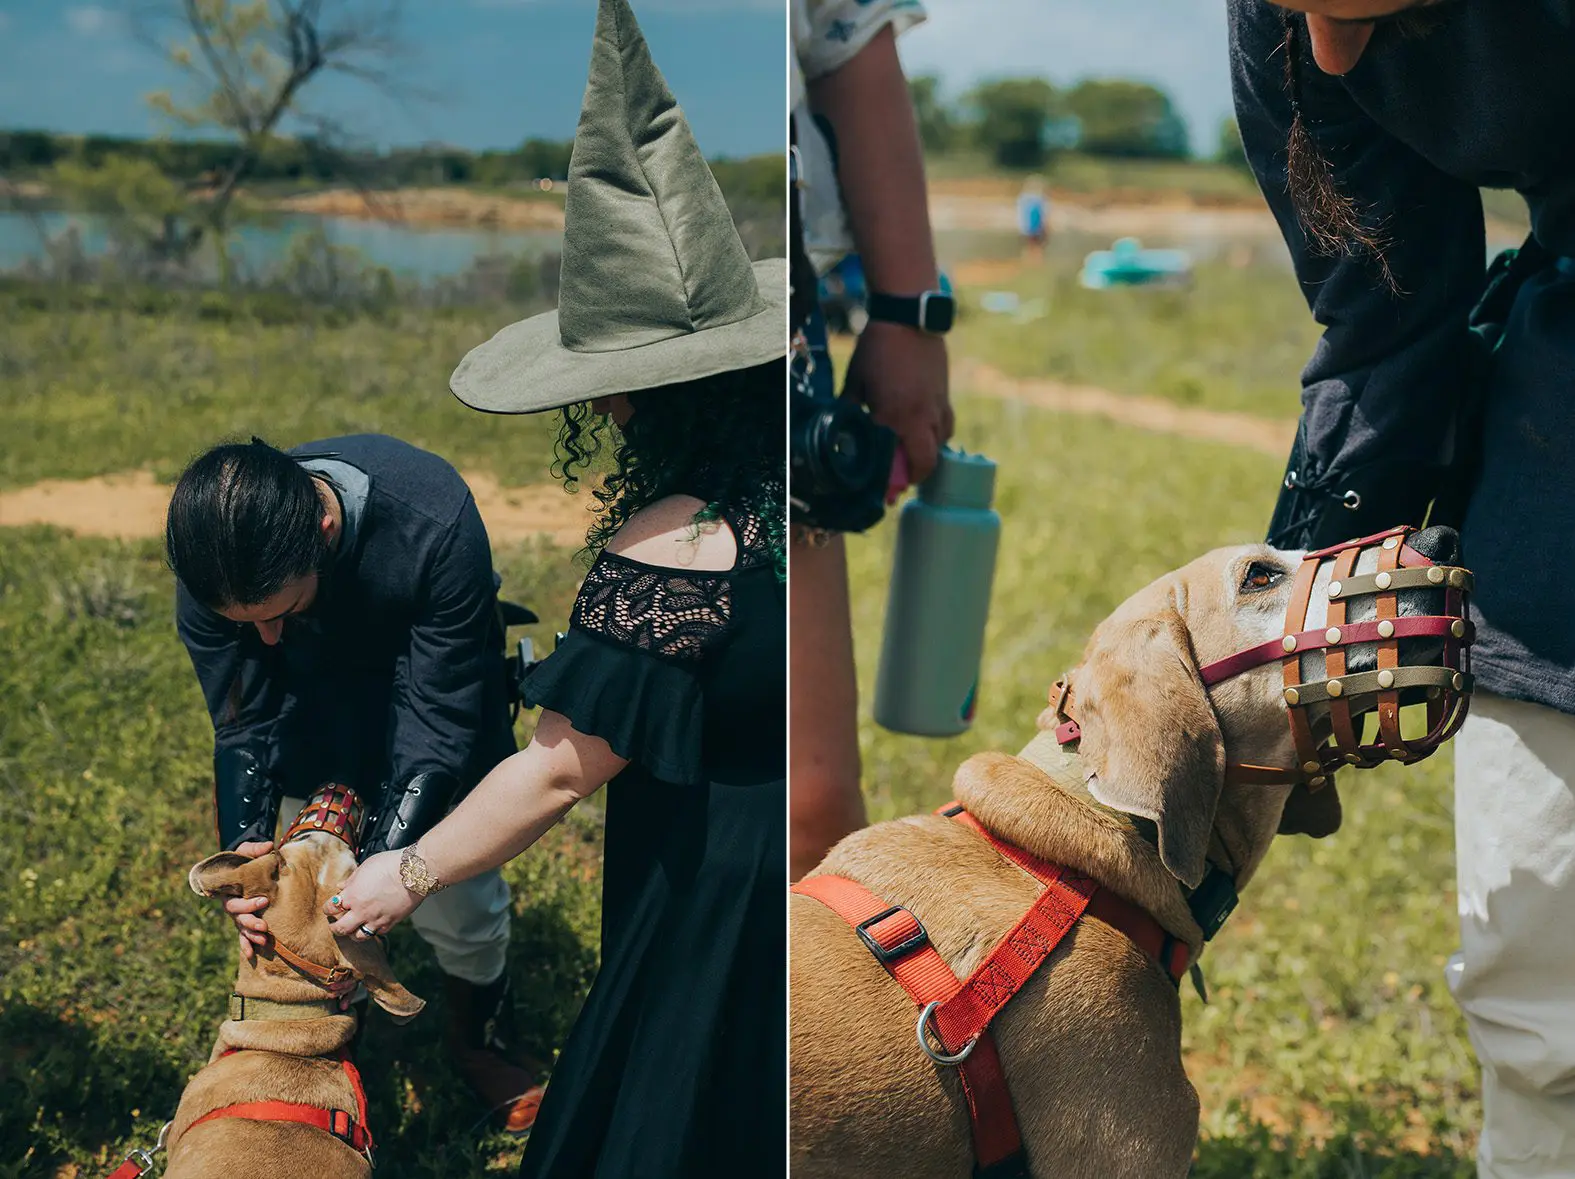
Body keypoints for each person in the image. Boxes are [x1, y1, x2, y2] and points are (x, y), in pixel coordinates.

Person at [328, 1, 788, 1173]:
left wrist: (407, 874)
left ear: (653, 391)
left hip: (710, 898)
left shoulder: (673, 540)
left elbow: (559, 767)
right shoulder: (803, 490)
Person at [1228, 4, 1575, 1175]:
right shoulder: (1284, 29)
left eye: (1371, 11)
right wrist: (1294, 606)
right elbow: (1388, 311)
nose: (1327, 53)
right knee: (1544, 986)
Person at [166, 432, 545, 1130]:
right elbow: (243, 718)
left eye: (281, 612)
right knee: (310, 912)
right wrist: (248, 845)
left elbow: (437, 720)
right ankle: (342, 1037)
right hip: (311, 725)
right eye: (249, 625)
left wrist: (392, 861)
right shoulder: (212, 561)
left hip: (434, 709)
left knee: (459, 902)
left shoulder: (433, 518)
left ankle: (477, 1035)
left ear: (325, 528)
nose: (268, 637)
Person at [790, 0, 955, 879]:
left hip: (771, 299)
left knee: (808, 799)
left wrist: (907, 315)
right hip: (636, 298)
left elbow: (849, 41)